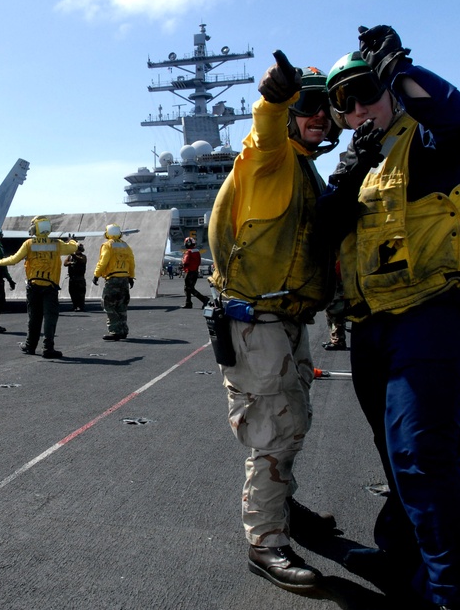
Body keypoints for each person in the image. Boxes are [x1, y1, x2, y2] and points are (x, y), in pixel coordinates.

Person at [318, 26, 460, 609]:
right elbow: (326, 232)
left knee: (420, 453)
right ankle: (403, 555)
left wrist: (402, 72)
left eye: (366, 91)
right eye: (345, 102)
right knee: (395, 454)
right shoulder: (360, 161)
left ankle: (450, 593)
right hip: (373, 326)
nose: (358, 108)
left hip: (433, 314)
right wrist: (346, 176)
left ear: (388, 89)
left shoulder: (429, 141)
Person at [207, 52, 341, 593]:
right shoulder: (271, 158)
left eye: (326, 109)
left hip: (287, 319)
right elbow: (262, 134)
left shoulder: (306, 169)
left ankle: (280, 504)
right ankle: (266, 541)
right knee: (273, 431)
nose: (320, 117)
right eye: (307, 106)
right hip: (256, 321)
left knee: (294, 419)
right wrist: (271, 99)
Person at [0, 216, 78, 358]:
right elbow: (73, 248)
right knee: (50, 317)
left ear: (35, 228)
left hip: (33, 287)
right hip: (50, 287)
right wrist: (73, 241)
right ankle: (48, 348)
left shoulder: (29, 244)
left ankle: (30, 345)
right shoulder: (56, 244)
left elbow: (14, 259)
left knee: (34, 317)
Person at [92, 224, 135, 341]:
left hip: (112, 279)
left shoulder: (107, 245)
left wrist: (96, 274)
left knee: (108, 304)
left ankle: (115, 331)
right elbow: (131, 261)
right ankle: (123, 330)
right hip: (124, 278)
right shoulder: (125, 245)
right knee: (122, 305)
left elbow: (103, 261)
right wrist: (131, 276)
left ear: (107, 233)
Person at [323, 261, 348, 350]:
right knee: (331, 311)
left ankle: (338, 341)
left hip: (338, 280)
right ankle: (335, 340)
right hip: (336, 279)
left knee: (335, 311)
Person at [180, 237, 210, 309]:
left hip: (189, 272)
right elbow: (198, 262)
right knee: (189, 288)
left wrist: (182, 262)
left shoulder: (188, 252)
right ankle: (188, 303)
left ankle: (204, 299)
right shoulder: (197, 252)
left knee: (189, 288)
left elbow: (185, 262)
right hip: (195, 272)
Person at [64, 243, 88, 311]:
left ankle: (81, 306)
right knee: (72, 292)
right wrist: (70, 263)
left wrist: (73, 255)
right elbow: (65, 263)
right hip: (72, 278)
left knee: (81, 293)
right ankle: (75, 306)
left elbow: (81, 260)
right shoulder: (70, 257)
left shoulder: (83, 257)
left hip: (80, 278)